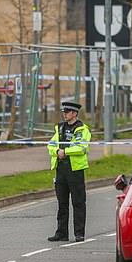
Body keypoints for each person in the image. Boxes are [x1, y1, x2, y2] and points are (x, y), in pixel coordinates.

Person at [47, 101, 91, 242]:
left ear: (74, 114)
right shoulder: (59, 128)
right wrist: (56, 151)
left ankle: (79, 233)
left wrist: (65, 152)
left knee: (78, 203)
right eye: (64, 112)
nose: (64, 114)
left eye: (67, 112)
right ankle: (62, 233)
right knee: (62, 203)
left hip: (75, 170)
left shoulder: (82, 129)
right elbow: (51, 145)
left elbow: (81, 148)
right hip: (61, 169)